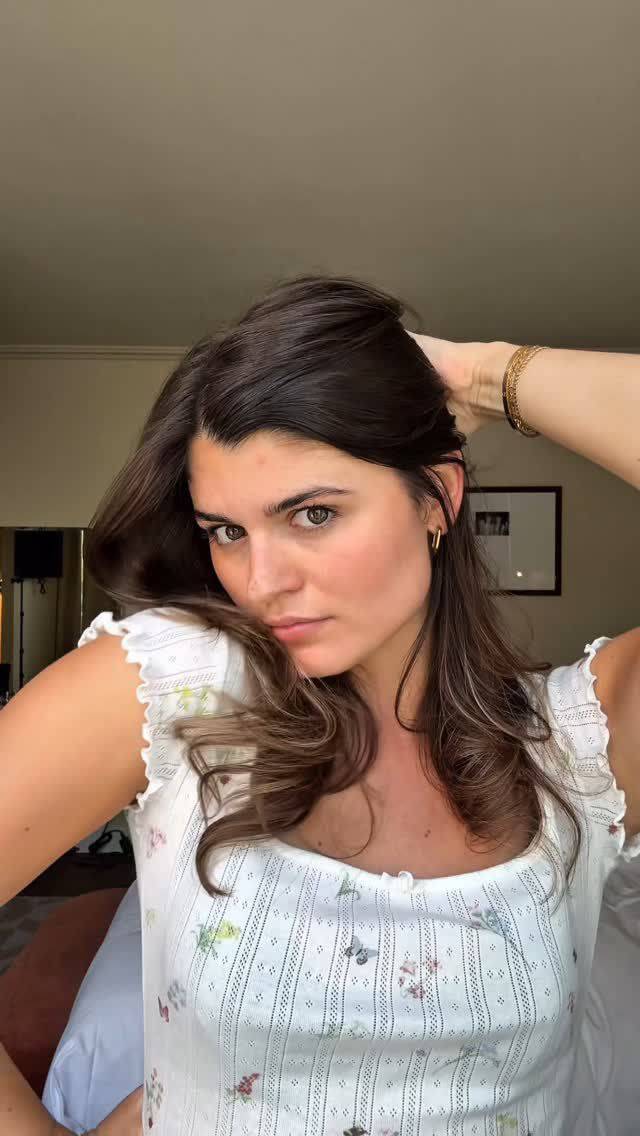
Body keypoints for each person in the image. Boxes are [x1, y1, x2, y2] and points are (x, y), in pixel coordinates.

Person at [1, 274, 638, 1136]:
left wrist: (484, 375)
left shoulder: (577, 746)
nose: (261, 580)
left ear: (439, 498)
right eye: (227, 531)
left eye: (311, 514)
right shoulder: (171, 687)